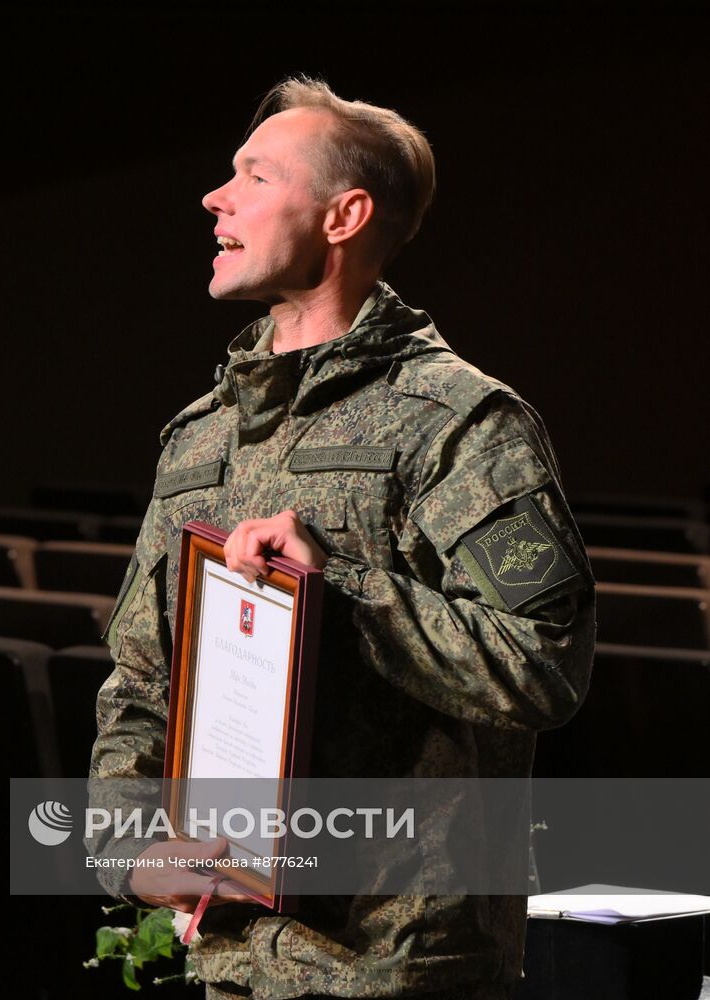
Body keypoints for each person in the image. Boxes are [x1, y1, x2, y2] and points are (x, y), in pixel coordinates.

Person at [86, 77, 596, 1000]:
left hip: (400, 968)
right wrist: (133, 851)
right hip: (230, 957)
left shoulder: (458, 423)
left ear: (344, 214)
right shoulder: (200, 435)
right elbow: (140, 677)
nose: (215, 196)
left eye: (254, 174)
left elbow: (545, 665)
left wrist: (349, 591)